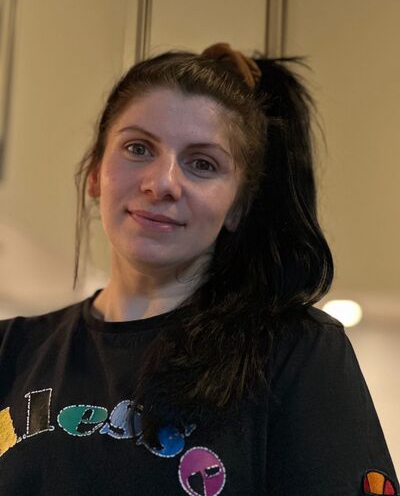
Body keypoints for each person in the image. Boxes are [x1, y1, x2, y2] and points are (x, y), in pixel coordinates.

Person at [0, 43, 398, 496]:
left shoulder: (295, 353)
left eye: (202, 164)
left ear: (238, 206)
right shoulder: (10, 351)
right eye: (138, 148)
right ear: (95, 170)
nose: (162, 183)